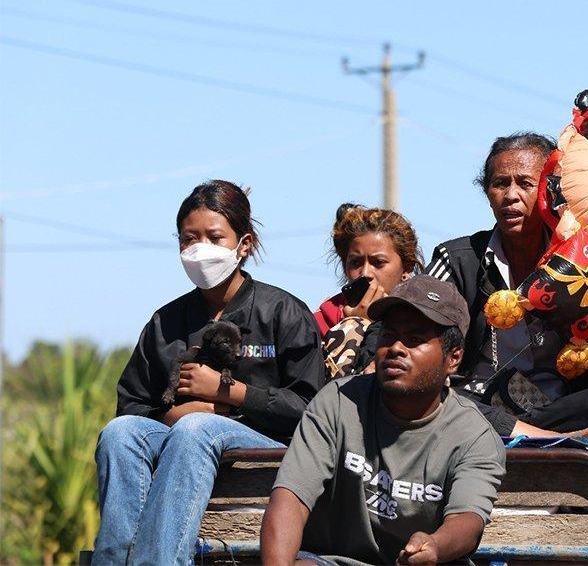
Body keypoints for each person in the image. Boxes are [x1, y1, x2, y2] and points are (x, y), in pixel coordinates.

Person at [93, 180, 325, 566]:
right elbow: (131, 402)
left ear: (244, 244)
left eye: (214, 237)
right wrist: (170, 414)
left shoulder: (283, 311)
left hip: (267, 447)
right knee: (119, 434)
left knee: (196, 428)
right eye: (189, 238)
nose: (200, 249)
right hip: (182, 434)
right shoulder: (166, 321)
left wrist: (226, 393)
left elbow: (310, 408)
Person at [426, 133, 588, 452]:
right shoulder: (458, 259)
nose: (510, 195)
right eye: (500, 184)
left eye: (525, 183)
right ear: (487, 192)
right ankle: (545, 440)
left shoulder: (587, 260)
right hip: (474, 409)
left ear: (552, 192)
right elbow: (422, 340)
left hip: (557, 411)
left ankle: (528, 434)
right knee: (435, 395)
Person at [261, 275, 505, 566]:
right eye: (389, 335)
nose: (396, 348)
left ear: (453, 358)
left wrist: (435, 546)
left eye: (415, 339)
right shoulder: (338, 401)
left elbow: (468, 520)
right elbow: (290, 498)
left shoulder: (473, 435)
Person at [314, 203, 423, 378]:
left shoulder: (423, 316)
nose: (365, 273)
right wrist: (355, 325)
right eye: (355, 262)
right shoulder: (322, 319)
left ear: (407, 268)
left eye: (378, 262)